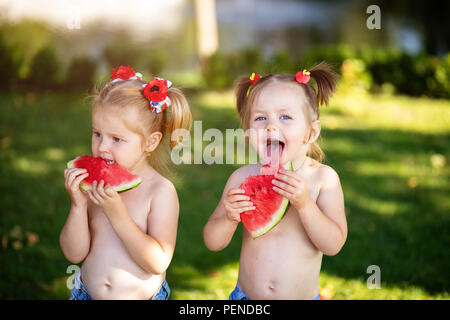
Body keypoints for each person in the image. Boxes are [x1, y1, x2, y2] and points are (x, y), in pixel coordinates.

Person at [203, 63, 347, 300]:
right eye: (260, 118)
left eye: (285, 116)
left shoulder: (323, 179)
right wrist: (229, 218)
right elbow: (212, 241)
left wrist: (305, 204)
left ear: (311, 132)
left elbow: (333, 245)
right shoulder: (241, 178)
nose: (270, 125)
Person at [60, 66, 192, 300]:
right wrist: (78, 207)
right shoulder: (96, 187)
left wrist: (117, 214)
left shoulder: (160, 191)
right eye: (97, 133)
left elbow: (158, 262)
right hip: (85, 294)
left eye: (117, 139)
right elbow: (73, 253)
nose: (102, 147)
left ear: (150, 142)